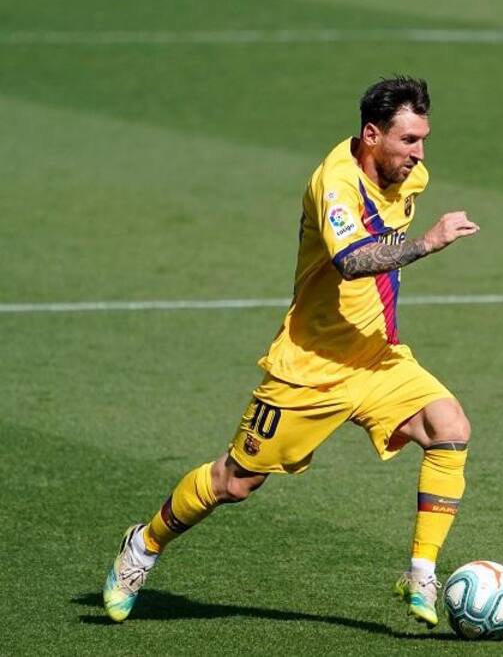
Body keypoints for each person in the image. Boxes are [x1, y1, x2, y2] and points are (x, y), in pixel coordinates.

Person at [102, 76, 481, 629]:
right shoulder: (335, 183)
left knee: (450, 427)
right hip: (309, 366)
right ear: (371, 135)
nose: (419, 155)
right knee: (235, 482)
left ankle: (421, 572)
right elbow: (350, 262)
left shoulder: (411, 177)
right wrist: (426, 243)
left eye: (423, 139)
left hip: (376, 355)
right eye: (408, 141)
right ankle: (143, 545)